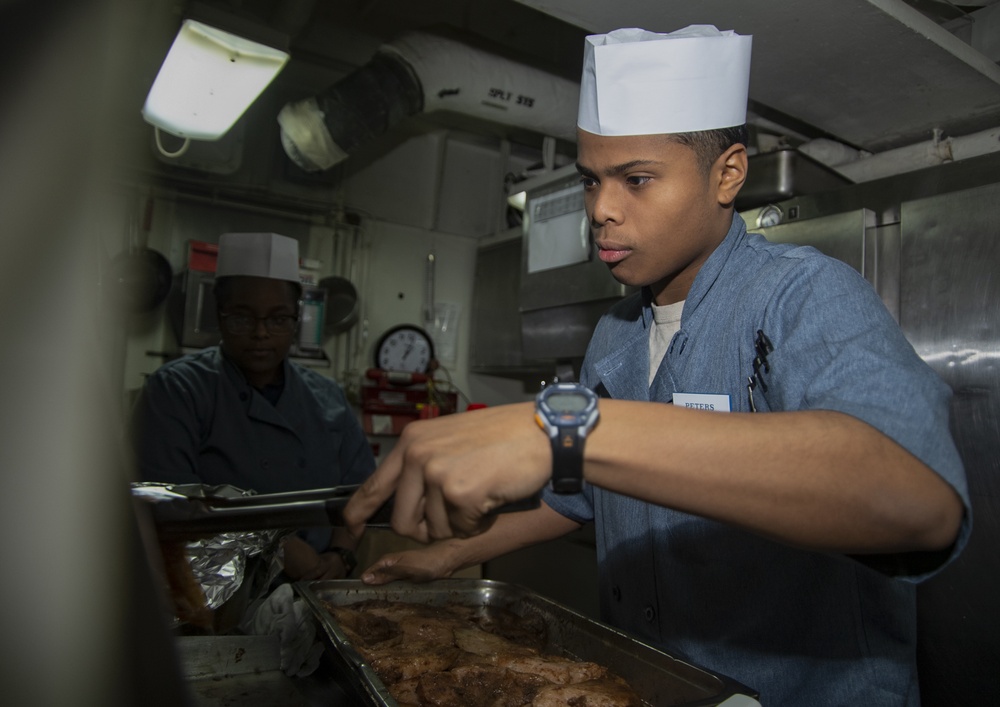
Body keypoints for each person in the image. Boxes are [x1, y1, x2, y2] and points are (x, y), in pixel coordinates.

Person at [343, 26, 971, 706]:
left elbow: (918, 499)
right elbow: (577, 498)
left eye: (637, 179)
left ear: (727, 174)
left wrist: (565, 429)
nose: (602, 210)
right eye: (591, 181)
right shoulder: (613, 337)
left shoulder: (803, 294)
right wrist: (455, 554)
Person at [131, 232, 375, 581]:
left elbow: (362, 495)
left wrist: (341, 557)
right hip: (212, 599)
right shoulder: (177, 390)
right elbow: (170, 507)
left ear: (295, 318)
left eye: (277, 319)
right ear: (220, 314)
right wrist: (277, 545)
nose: (261, 334)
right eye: (243, 318)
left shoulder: (328, 399)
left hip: (314, 594)